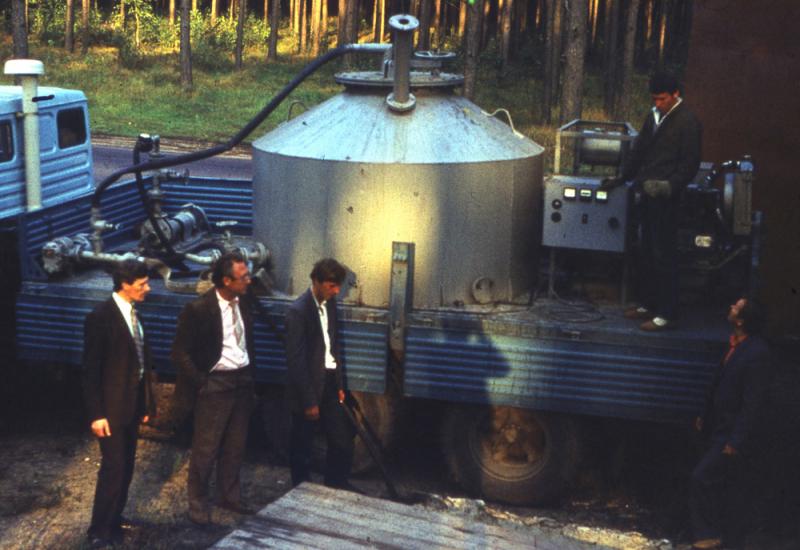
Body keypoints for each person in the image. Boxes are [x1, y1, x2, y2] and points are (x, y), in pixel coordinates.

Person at [600, 72, 702, 331]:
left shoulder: (688, 122)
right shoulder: (653, 116)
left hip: (666, 199)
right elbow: (639, 151)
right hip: (645, 194)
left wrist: (669, 186)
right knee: (645, 250)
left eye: (662, 99)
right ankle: (648, 303)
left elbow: (690, 164)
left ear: (675, 95)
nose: (658, 103)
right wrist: (622, 178)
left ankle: (667, 313)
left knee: (663, 254)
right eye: (655, 99)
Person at [172, 252, 257, 525]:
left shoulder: (243, 303)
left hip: (241, 381)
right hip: (215, 384)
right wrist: (202, 383)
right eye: (243, 277)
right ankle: (197, 503)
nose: (249, 280)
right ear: (226, 280)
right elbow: (180, 352)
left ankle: (228, 496)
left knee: (236, 444)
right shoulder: (199, 309)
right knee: (206, 448)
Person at [83, 260, 156, 548]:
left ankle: (114, 520)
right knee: (113, 468)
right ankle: (98, 531)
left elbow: (141, 363)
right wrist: (97, 414)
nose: (147, 289)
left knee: (126, 466)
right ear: (125, 285)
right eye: (142, 285)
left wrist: (145, 405)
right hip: (110, 412)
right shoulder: (100, 318)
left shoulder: (134, 314)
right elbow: (90, 371)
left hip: (130, 407)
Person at [689, 297, 771, 549]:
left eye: (736, 307)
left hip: (730, 434)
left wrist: (736, 440)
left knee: (702, 477)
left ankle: (710, 535)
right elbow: (719, 384)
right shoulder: (736, 345)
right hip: (719, 428)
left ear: (741, 320)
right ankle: (719, 537)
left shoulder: (756, 353)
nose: (730, 308)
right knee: (718, 482)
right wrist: (704, 414)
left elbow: (752, 403)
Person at [285, 258, 356, 489]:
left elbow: (333, 348)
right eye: (331, 286)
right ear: (316, 281)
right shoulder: (298, 312)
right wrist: (308, 401)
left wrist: (339, 386)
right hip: (308, 386)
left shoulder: (330, 305)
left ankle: (336, 485)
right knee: (303, 444)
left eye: (338, 287)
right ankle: (300, 490)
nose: (336, 292)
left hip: (329, 382)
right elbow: (296, 361)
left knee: (341, 439)